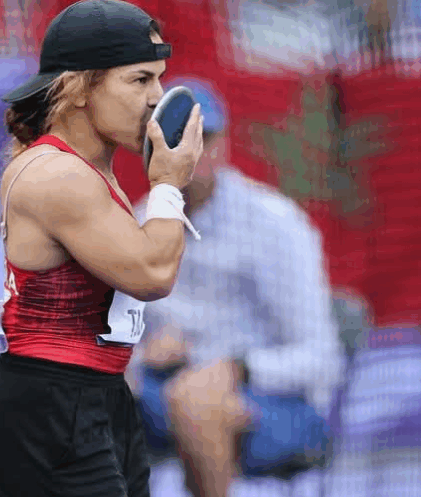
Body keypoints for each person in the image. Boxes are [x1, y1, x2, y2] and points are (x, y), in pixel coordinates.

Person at [0, 1, 205, 496]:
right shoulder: (58, 175)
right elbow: (153, 275)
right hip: (51, 403)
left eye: (159, 78)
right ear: (80, 87)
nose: (157, 98)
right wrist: (168, 185)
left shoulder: (92, 170)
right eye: (140, 80)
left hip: (98, 393)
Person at [127, 76, 344, 497]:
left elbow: (322, 358)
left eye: (202, 137)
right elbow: (116, 333)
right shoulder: (140, 222)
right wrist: (141, 355)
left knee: (195, 401)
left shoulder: (275, 225)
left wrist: (236, 368)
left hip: (279, 401)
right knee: (78, 390)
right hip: (171, 384)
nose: (192, 152)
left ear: (224, 142)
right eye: (177, 139)